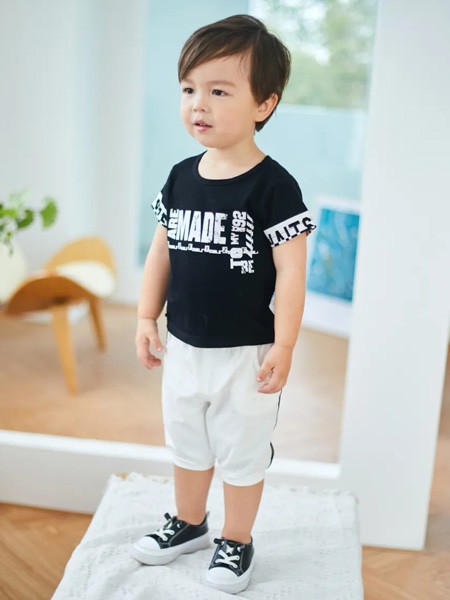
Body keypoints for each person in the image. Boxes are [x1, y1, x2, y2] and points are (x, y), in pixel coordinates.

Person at [130, 13, 317, 595]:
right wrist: (145, 316)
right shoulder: (180, 178)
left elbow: (291, 272)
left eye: (218, 91)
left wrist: (285, 344)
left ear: (264, 103)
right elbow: (160, 253)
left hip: (246, 352)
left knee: (241, 451)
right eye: (189, 89)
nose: (198, 104)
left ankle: (237, 539)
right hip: (184, 345)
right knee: (187, 441)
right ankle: (189, 523)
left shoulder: (274, 187)